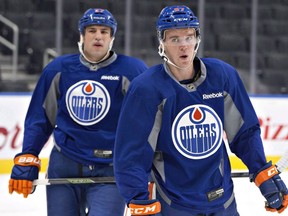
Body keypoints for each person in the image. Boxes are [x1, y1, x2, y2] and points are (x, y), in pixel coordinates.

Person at [113, 5, 288, 216]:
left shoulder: (222, 76)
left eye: (188, 37)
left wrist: (263, 173)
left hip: (222, 200)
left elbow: (245, 133)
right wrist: (139, 199)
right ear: (162, 44)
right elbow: (132, 153)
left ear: (197, 39)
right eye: (174, 39)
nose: (183, 46)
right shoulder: (147, 88)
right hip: (173, 203)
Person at [8, 8, 148, 216]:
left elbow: (147, 124)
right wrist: (29, 154)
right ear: (82, 35)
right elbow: (40, 118)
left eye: (104, 31)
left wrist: (147, 167)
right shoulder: (59, 69)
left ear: (112, 38)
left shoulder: (132, 71)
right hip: (65, 162)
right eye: (92, 30)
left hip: (111, 168)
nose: (98, 36)